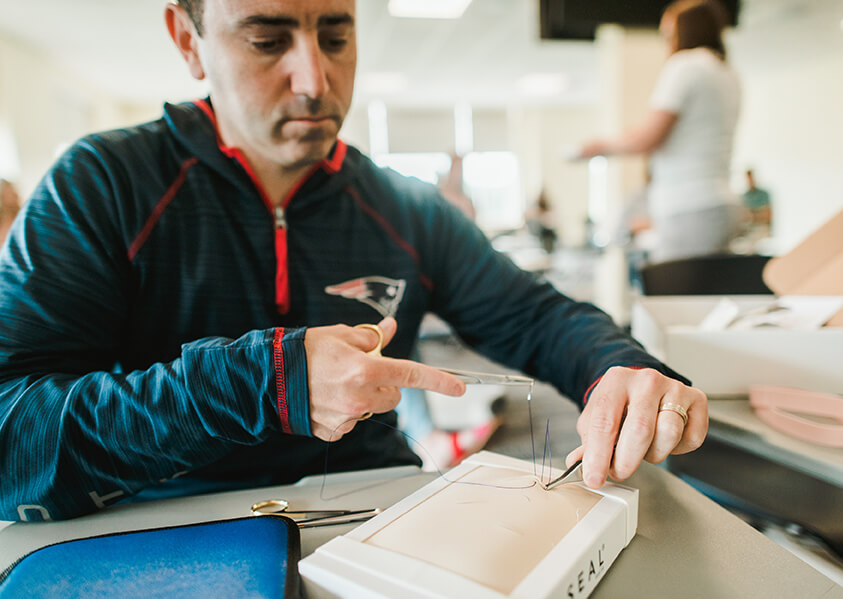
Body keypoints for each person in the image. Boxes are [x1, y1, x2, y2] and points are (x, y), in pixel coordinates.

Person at [0, 0, 707, 521]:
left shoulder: (406, 206)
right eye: (268, 40)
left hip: (375, 516)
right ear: (189, 41)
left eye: (336, 37)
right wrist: (261, 383)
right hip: (163, 528)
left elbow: (536, 317)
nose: (314, 79)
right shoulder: (101, 185)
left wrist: (620, 369)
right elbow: (11, 438)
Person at [574, 0, 741, 263]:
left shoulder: (684, 66)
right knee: (709, 285)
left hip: (689, 206)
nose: (666, 42)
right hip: (720, 204)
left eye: (668, 34)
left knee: (675, 287)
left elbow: (649, 138)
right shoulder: (726, 72)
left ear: (685, 31)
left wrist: (599, 147)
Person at [0, 179, 21, 244]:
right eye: (9, 192)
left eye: (14, 191)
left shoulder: (21, 215)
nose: (15, 194)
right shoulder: (3, 220)